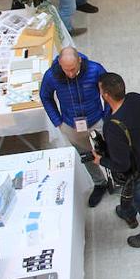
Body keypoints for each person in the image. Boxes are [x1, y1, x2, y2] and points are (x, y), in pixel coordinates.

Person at [94, 72, 140, 248]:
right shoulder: (136, 98)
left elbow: (122, 165)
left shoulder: (112, 125)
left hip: (135, 169)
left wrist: (100, 160)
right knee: (131, 190)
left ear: (106, 95)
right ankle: (128, 212)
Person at [40, 47, 111, 205]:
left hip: (97, 120)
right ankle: (100, 183)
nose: (70, 74)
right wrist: (58, 122)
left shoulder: (95, 69)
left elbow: (108, 91)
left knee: (111, 150)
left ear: (79, 60)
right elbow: (45, 96)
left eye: (73, 69)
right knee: (86, 156)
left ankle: (117, 179)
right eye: (66, 70)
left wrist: (107, 115)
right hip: (71, 125)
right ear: (59, 63)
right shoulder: (51, 76)